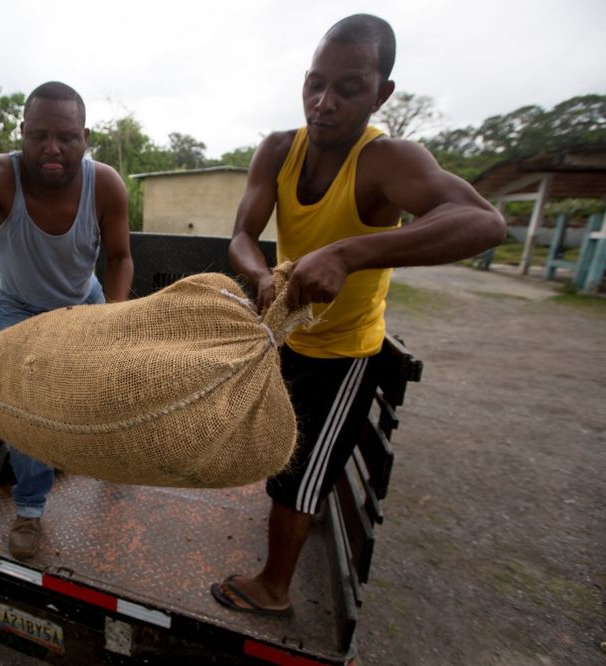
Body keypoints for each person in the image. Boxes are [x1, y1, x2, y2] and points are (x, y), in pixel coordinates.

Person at [212, 14, 505, 615]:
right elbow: (242, 234)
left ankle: (273, 588)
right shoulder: (278, 149)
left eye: (348, 88)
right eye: (315, 84)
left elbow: (484, 222)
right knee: (278, 448)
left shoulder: (387, 161)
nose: (324, 102)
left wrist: (351, 251)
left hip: (344, 354)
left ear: (382, 93)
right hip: (288, 338)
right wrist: (263, 275)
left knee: (306, 471)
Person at [0, 81, 134, 560]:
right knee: (22, 408)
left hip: (83, 303)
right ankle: (29, 508)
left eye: (66, 137)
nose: (52, 148)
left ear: (85, 137)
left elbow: (122, 258)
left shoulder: (105, 184)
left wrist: (112, 322)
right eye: (39, 135)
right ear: (22, 132)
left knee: (109, 390)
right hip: (20, 310)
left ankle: (112, 459)